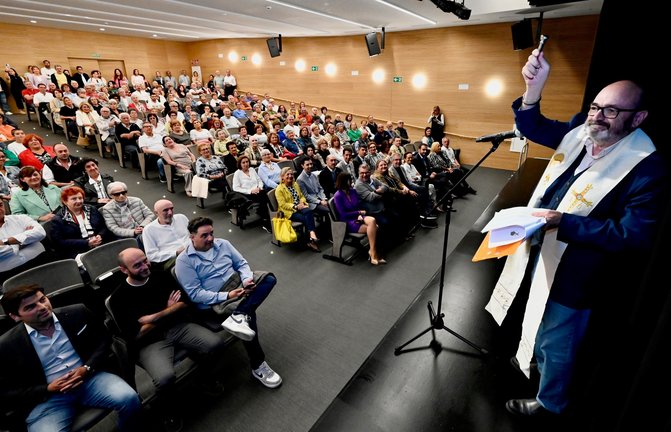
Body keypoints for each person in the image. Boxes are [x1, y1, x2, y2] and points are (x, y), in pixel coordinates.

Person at [487, 49, 669, 418]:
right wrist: (533, 88)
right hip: (543, 244)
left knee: (559, 337)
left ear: (639, 118)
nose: (598, 117)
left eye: (611, 111)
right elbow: (535, 127)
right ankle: (532, 361)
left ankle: (549, 403)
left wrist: (564, 222)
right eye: (595, 107)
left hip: (578, 268)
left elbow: (633, 236)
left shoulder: (646, 167)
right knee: (536, 315)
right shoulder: (581, 131)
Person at [0, 285, 142, 432]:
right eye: (30, 307)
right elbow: (5, 391)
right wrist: (47, 388)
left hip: (89, 379)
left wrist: (86, 368)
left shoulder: (77, 312)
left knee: (129, 398)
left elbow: (104, 340)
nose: (42, 307)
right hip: (49, 399)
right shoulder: (6, 346)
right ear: (15, 316)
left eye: (43, 299)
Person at [113, 248, 227, 429]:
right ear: (124, 270)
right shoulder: (118, 298)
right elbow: (135, 334)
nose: (145, 266)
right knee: (165, 378)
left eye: (145, 260)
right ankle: (168, 409)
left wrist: (152, 318)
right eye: (137, 265)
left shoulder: (161, 276)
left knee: (217, 345)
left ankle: (203, 377)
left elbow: (184, 303)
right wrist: (168, 310)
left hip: (178, 327)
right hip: (151, 343)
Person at [174, 217, 282, 388]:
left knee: (268, 278)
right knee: (249, 316)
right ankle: (257, 365)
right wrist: (227, 295)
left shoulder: (223, 244)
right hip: (216, 299)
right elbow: (196, 294)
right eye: (204, 235)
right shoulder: (184, 261)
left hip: (237, 282)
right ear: (192, 237)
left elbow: (241, 263)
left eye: (211, 233)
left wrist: (247, 280)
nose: (210, 239)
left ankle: (239, 315)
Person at [333, 172, 385, 265]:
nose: (352, 182)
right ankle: (374, 254)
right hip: (347, 221)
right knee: (375, 228)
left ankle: (372, 252)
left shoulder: (352, 191)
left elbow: (358, 205)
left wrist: (359, 214)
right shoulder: (338, 195)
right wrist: (359, 213)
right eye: (350, 180)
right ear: (344, 181)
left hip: (358, 216)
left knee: (372, 220)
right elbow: (343, 214)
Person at [50, 186, 113, 260]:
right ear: (65, 201)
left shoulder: (92, 209)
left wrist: (100, 235)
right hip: (78, 251)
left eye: (80, 198)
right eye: (74, 199)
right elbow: (59, 242)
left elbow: (104, 226)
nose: (79, 201)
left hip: (101, 244)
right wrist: (86, 243)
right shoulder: (58, 219)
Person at [0, 200, 53, 284]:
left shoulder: (20, 218)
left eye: (0, 205)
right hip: (10, 274)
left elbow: (40, 232)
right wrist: (24, 240)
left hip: (42, 260)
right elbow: (2, 253)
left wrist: (5, 242)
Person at [274, 167, 321, 252]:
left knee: (309, 212)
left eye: (291, 174)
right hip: (289, 211)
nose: (290, 176)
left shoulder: (295, 184)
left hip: (300, 206)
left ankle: (311, 234)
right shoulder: (279, 189)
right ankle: (311, 240)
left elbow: (302, 196)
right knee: (306, 218)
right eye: (287, 174)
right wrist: (295, 206)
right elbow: (283, 204)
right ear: (282, 177)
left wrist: (302, 203)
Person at [141, 199, 190, 271]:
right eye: (165, 210)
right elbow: (152, 256)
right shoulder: (149, 230)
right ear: (156, 213)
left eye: (171, 209)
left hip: (192, 249)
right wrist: (175, 252)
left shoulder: (181, 217)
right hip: (171, 259)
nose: (170, 213)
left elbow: (194, 235)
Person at [231, 156, 271, 230]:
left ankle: (266, 216)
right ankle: (266, 218)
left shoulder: (252, 169)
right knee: (264, 197)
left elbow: (259, 180)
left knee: (265, 194)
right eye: (243, 162)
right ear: (240, 164)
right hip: (247, 194)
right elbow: (235, 188)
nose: (246, 164)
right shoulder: (237, 173)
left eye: (247, 162)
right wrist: (250, 191)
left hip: (258, 191)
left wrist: (259, 188)